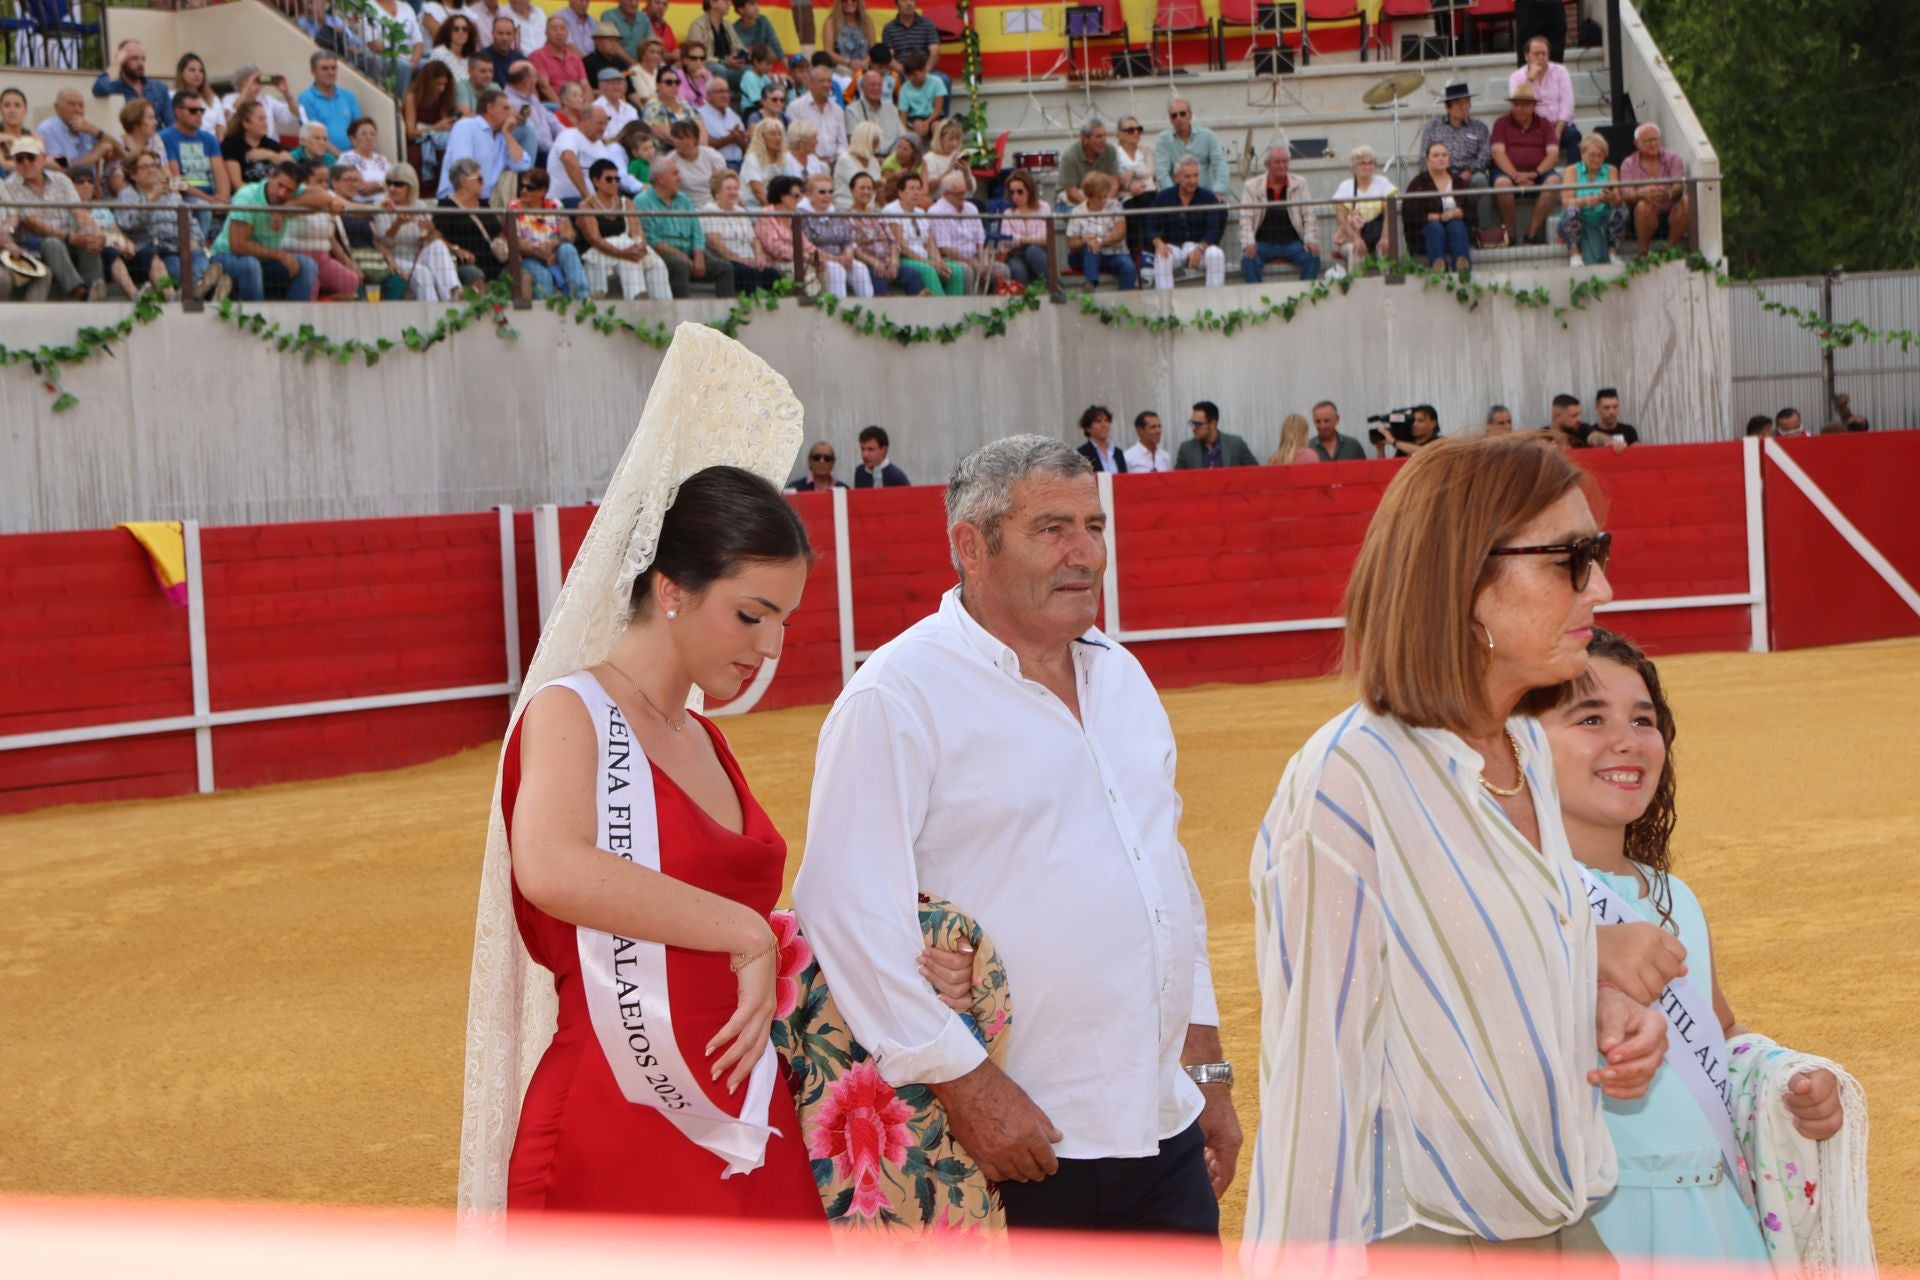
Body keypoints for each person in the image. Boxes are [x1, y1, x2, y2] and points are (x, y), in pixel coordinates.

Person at [1243, 435, 1669, 1273]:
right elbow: (1315, 1082)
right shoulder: (1350, 782)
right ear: (1465, 580)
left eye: (1600, 553)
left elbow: (1473, 968)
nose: (1604, 586)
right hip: (1423, 1233)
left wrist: (1583, 1005)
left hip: (1558, 1213)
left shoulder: (1529, 752)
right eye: (1571, 559)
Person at [794, 435, 1237, 1236]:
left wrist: (1205, 1072)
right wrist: (967, 1088)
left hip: (1161, 1133)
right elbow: (843, 909)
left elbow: (1163, 888)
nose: (1086, 553)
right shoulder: (897, 696)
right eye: (1053, 529)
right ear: (972, 545)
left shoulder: (1124, 678)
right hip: (1008, 1149)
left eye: (1094, 527)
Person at [456, 328, 830, 1222]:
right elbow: (549, 865)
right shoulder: (569, 712)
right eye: (751, 614)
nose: (770, 647)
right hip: (615, 1131)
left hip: (742, 1120)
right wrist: (743, 930)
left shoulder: (704, 737)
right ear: (670, 588)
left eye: (784, 621)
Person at [1542, 628, 1849, 1266]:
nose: (1626, 739)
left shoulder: (1675, 898)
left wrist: (1785, 1082)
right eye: (1590, 716)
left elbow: (1719, 1032)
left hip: (1714, 1217)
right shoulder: (1515, 895)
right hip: (1603, 1218)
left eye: (1644, 719)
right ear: (1517, 745)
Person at [2, 136, 106, 300]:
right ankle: (81, 292)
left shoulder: (61, 179)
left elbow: (79, 213)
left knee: (89, 236)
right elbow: (32, 223)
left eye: (30, 157)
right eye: (20, 159)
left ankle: (96, 288)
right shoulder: (10, 185)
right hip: (32, 243)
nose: (26, 163)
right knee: (52, 242)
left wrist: (96, 232)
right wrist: (69, 237)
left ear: (43, 158)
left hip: (65, 236)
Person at [119, 149, 228, 300]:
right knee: (179, 266)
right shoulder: (127, 195)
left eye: (154, 166)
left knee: (200, 256)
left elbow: (191, 222)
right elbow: (128, 223)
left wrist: (194, 239)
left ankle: (199, 290)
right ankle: (208, 292)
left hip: (184, 246)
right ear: (133, 174)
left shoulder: (171, 194)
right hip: (161, 251)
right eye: (144, 167)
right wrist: (152, 199)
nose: (151, 170)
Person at [213, 160, 326, 301]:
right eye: (280, 185)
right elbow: (238, 245)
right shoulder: (247, 195)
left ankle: (295, 320)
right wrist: (279, 254)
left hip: (264, 261)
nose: (281, 193)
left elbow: (324, 197)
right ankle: (256, 319)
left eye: (289, 190)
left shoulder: (289, 197)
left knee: (308, 266)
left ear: (295, 190)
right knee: (250, 265)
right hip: (226, 257)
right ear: (271, 176)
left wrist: (286, 207)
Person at [638, 153, 735, 296]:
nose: (680, 178)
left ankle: (728, 313)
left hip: (690, 252)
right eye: (675, 174)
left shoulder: (683, 199)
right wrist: (685, 258)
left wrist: (699, 255)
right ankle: (682, 315)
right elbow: (652, 240)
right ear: (660, 179)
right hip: (662, 254)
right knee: (680, 266)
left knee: (725, 268)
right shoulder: (642, 202)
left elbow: (697, 231)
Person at [575, 157, 671, 297]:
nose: (614, 183)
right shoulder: (586, 206)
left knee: (658, 265)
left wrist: (640, 247)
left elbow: (637, 233)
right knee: (628, 258)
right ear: (596, 181)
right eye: (609, 179)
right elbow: (594, 238)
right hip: (601, 253)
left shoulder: (626, 202)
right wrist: (623, 253)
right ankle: (636, 298)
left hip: (627, 249)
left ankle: (664, 306)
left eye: (617, 179)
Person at [377, 163, 467, 298]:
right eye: (389, 183)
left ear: (410, 186)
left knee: (437, 245)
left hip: (418, 255)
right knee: (423, 273)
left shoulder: (419, 205)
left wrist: (430, 231)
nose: (392, 188)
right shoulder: (382, 205)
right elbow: (384, 243)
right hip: (395, 257)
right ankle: (433, 313)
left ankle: (453, 291)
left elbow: (427, 239)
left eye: (398, 184)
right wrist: (397, 224)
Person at [1417, 83, 1494, 236]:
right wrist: (1443, 176)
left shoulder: (1479, 127)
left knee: (1481, 181)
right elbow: (1423, 158)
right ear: (1448, 107)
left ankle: (1483, 232)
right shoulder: (1432, 127)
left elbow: (1485, 155)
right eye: (1459, 104)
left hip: (1470, 174)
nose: (1464, 107)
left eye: (1467, 103)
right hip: (1441, 174)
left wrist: (1470, 171)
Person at [1237, 145, 1320, 284]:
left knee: (1313, 257)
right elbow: (1245, 219)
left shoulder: (1300, 184)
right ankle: (1258, 302)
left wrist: (1311, 239)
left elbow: (1309, 215)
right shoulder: (1251, 187)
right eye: (1277, 162)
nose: (1282, 165)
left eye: (1285, 161)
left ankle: (1302, 298)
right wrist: (1248, 243)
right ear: (1267, 165)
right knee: (1248, 261)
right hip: (1262, 244)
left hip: (1292, 243)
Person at [1492, 82, 1560, 246]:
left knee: (1554, 181)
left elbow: (1553, 154)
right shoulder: (1501, 122)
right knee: (1502, 183)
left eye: (1523, 105)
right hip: (1507, 172)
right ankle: (1511, 233)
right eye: (1516, 105)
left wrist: (1534, 174)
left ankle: (1532, 233)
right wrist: (1515, 175)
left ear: (1533, 106)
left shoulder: (1544, 123)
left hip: (1538, 173)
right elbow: (1497, 153)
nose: (1518, 109)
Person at [509, 165, 591, 298]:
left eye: (530, 188)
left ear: (543, 191)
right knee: (543, 275)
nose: (524, 191)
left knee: (568, 249)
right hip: (528, 256)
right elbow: (515, 241)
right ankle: (544, 314)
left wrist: (554, 244)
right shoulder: (514, 207)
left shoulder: (555, 205)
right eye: (522, 187)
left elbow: (569, 234)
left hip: (554, 251)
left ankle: (583, 297)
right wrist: (539, 252)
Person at [1147, 156, 1226, 292]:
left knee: (1216, 254)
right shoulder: (1164, 197)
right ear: (1176, 177)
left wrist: (1200, 249)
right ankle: (1166, 310)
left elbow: (1214, 230)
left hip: (1200, 247)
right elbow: (1150, 227)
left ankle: (1214, 306)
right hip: (1173, 248)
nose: (1193, 181)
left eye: (1196, 175)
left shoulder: (1208, 197)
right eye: (1187, 176)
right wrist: (1159, 244)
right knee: (1161, 256)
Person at [440, 88, 534, 198]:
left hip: (483, 201)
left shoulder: (503, 136)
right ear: (490, 108)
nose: (511, 113)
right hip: (456, 200)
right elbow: (464, 168)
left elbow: (522, 166)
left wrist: (508, 133)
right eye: (506, 108)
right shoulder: (466, 126)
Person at [1402, 140, 1477, 273]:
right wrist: (1441, 217)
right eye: (1436, 156)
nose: (1441, 158)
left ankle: (1462, 265)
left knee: (1456, 225)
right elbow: (1411, 215)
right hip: (1427, 238)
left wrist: (1461, 212)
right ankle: (1438, 265)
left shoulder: (1458, 182)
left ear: (1449, 159)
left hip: (1456, 235)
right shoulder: (1418, 184)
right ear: (1427, 160)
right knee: (1434, 227)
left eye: (1444, 155)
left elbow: (1472, 209)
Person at [437, 155, 511, 285]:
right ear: (464, 181)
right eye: (479, 179)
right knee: (476, 277)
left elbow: (497, 231)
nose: (483, 183)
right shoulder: (446, 207)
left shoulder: (484, 204)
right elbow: (437, 237)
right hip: (468, 263)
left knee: (523, 274)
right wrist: (456, 249)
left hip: (495, 262)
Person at [701, 168, 780, 292]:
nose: (733, 192)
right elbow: (715, 244)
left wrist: (759, 257)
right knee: (748, 273)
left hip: (748, 259)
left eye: (735, 188)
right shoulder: (710, 210)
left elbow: (754, 240)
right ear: (717, 193)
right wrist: (741, 260)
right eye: (728, 189)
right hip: (728, 261)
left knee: (772, 274)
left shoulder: (740, 211)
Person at [1619, 123, 1691, 257]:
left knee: (1687, 201)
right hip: (1643, 216)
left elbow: (1678, 185)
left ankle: (1669, 249)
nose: (1653, 144)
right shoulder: (1628, 163)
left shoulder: (1672, 157)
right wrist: (1642, 193)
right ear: (1637, 143)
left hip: (1670, 211)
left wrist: (1668, 194)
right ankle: (1643, 254)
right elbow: (1626, 195)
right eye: (1648, 141)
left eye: (1655, 139)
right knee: (1643, 206)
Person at [883, 170, 958, 296]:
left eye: (918, 189)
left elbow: (930, 243)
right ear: (901, 193)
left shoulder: (921, 212)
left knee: (956, 271)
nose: (916, 193)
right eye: (911, 188)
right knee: (928, 270)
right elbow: (901, 246)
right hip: (904, 258)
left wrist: (938, 260)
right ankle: (941, 308)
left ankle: (957, 310)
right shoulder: (892, 210)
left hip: (923, 257)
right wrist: (928, 262)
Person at [799, 170, 872, 297]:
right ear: (810, 194)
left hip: (841, 257)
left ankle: (867, 307)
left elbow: (847, 240)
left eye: (830, 192)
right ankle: (838, 308)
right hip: (818, 260)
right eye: (822, 192)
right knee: (836, 270)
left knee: (860, 269)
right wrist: (836, 259)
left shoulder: (835, 212)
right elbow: (809, 246)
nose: (827, 195)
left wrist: (848, 255)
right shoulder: (802, 215)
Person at [1558, 133, 1624, 267]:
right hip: (1579, 217)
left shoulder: (1611, 170)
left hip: (1602, 217)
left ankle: (1612, 253)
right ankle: (1575, 255)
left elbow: (1617, 201)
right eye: (1592, 155)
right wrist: (1587, 200)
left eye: (1600, 155)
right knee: (1571, 210)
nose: (1597, 159)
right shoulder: (1572, 170)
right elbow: (1566, 202)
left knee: (1621, 209)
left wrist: (1610, 198)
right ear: (1582, 154)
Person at [1329, 145, 1394, 275]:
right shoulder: (1345, 186)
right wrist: (1356, 239)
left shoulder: (1383, 183)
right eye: (1362, 163)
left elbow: (1390, 213)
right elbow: (1341, 218)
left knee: (1385, 250)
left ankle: (1389, 289)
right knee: (1356, 251)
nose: (1367, 167)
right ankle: (1356, 288)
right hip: (1351, 236)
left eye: (1371, 163)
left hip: (1378, 234)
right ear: (1354, 167)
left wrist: (1386, 237)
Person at [1065, 171, 1134, 292]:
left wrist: (1099, 241)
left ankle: (1125, 301)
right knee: (1090, 249)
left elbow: (1120, 233)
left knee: (1128, 267)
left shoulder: (1115, 206)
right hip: (1088, 255)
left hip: (1114, 253)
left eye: (1105, 196)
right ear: (1088, 197)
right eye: (1099, 197)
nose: (1103, 200)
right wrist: (1085, 241)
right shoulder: (1077, 211)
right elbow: (1071, 243)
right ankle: (1091, 284)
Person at [928, 171, 993, 293]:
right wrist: (972, 262)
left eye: (965, 192)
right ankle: (968, 309)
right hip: (951, 258)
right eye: (959, 194)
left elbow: (980, 241)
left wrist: (983, 262)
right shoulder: (937, 212)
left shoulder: (971, 208)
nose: (963, 196)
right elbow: (945, 248)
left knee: (1001, 269)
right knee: (966, 270)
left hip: (975, 257)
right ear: (946, 194)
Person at [1510, 35, 1576, 152]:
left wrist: (1557, 131)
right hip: (1533, 127)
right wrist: (1530, 79)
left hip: (1559, 125)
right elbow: (1518, 105)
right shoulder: (1517, 76)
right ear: (1527, 56)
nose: (1540, 57)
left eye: (1544, 53)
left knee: (1573, 136)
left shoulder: (1560, 72)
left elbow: (1567, 104)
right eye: (1536, 54)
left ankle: (1573, 171)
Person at [1153, 98, 1227, 194]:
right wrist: (1174, 197)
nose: (1178, 118)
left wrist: (1219, 190)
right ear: (1170, 120)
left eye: (1182, 113)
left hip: (1207, 195)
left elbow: (1220, 164)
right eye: (1174, 115)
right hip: (1177, 200)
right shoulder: (1163, 140)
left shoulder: (1208, 136)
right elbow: (1162, 174)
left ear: (1190, 116)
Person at [93, 40, 173, 129]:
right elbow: (101, 88)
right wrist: (117, 62)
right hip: (127, 140)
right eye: (134, 58)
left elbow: (172, 124)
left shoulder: (159, 88)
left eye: (143, 59)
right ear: (122, 60)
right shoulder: (115, 87)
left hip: (156, 140)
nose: (140, 63)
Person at [404, 61, 463, 179]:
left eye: (444, 84)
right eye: (437, 84)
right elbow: (410, 133)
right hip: (419, 142)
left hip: (440, 141)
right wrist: (434, 128)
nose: (441, 88)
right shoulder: (412, 98)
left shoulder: (444, 98)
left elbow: (445, 124)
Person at [995, 167, 1050, 288]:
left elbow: (1044, 238)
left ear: (1029, 190)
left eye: (1020, 191)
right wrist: (1028, 240)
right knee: (1018, 270)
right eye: (1012, 192)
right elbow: (1005, 240)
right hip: (1015, 254)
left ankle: (1055, 287)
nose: (1015, 196)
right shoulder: (1008, 213)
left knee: (1032, 251)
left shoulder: (1043, 208)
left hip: (1038, 251)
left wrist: (1019, 240)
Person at [222, 100, 294, 191]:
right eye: (261, 119)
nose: (266, 123)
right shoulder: (231, 145)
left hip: (274, 196)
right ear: (246, 123)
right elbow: (236, 183)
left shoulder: (270, 144)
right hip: (247, 198)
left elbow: (292, 167)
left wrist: (270, 155)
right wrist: (260, 197)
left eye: (265, 119)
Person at [38, 90, 115, 172]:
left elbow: (116, 152)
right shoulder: (47, 130)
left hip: (90, 182)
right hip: (64, 182)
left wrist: (98, 132)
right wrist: (95, 155)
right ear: (57, 108)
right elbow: (62, 167)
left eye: (81, 105)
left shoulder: (88, 127)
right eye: (71, 104)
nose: (77, 109)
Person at [300, 53, 365, 152]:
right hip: (323, 157)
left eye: (334, 68)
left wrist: (355, 154)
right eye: (325, 68)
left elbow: (360, 128)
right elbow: (314, 135)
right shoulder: (306, 98)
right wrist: (341, 156)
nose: (330, 72)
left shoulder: (348, 96)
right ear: (313, 72)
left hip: (351, 155)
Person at [788, 65, 846, 165]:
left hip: (836, 164)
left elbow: (843, 143)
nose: (826, 85)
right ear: (810, 83)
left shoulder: (837, 110)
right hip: (807, 164)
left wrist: (838, 160)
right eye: (822, 81)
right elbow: (793, 143)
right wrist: (816, 162)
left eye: (829, 81)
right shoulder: (795, 108)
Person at [1057, 118, 1117, 209]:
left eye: (1105, 135)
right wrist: (1091, 207)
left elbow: (1114, 183)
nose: (1103, 140)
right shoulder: (1070, 156)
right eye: (1098, 137)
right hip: (1072, 200)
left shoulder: (1110, 151)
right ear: (1085, 139)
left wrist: (1105, 204)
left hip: (1102, 198)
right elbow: (1071, 193)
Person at [1175, 402, 1256, 469]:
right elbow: (1177, 481)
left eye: (1198, 424)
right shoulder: (1186, 449)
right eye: (1192, 423)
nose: (1193, 428)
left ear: (1213, 424)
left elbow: (1255, 472)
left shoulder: (1235, 444)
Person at [740, 117, 799, 207]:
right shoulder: (752, 158)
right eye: (773, 134)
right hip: (753, 204)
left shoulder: (784, 158)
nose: (778, 138)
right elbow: (758, 191)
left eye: (780, 134)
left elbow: (790, 185)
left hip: (778, 205)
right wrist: (775, 211)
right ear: (762, 138)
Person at [530, 16, 589, 101]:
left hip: (577, 103)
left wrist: (586, 108)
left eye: (562, 29)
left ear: (567, 33)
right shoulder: (537, 56)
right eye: (554, 29)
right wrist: (563, 109)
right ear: (546, 33)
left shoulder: (575, 58)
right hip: (553, 106)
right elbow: (544, 87)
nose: (559, 33)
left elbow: (586, 86)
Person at [113, 99, 165, 196]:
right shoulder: (119, 145)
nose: (156, 122)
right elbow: (117, 182)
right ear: (136, 123)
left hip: (156, 194)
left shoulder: (156, 140)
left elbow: (165, 172)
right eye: (150, 118)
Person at [843, 70, 903, 154]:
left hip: (892, 160)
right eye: (872, 85)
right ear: (862, 87)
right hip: (866, 159)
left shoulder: (892, 109)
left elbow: (902, 138)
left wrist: (891, 160)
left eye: (879, 85)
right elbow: (854, 144)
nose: (876, 88)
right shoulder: (852, 111)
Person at [644, 65, 703, 146]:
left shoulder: (685, 104)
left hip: (693, 150)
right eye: (669, 82)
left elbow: (701, 130)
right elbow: (669, 135)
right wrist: (693, 143)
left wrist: (700, 147)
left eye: (677, 82)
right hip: (666, 154)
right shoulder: (652, 106)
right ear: (658, 85)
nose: (674, 85)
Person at [832, 120, 882, 210]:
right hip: (846, 209)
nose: (878, 146)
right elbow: (863, 185)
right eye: (875, 142)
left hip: (868, 210)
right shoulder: (845, 160)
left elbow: (877, 190)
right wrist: (892, 179)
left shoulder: (873, 161)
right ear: (866, 141)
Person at [896, 52, 944, 141]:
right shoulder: (904, 88)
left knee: (936, 126)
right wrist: (905, 131)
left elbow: (938, 110)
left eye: (914, 75)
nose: (912, 79)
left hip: (934, 117)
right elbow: (903, 117)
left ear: (924, 70)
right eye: (908, 76)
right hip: (915, 118)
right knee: (918, 126)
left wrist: (927, 122)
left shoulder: (937, 82)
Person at [818, 0, 874, 69]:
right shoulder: (831, 23)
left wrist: (865, 62)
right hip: (841, 68)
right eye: (845, 0)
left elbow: (873, 48)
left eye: (853, 0)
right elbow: (828, 52)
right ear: (839, 3)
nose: (849, 2)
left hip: (865, 67)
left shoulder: (867, 21)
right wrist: (849, 63)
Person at [1374, 402, 1443, 457]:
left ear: (1433, 424)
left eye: (1420, 421)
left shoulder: (1441, 442)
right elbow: (1386, 469)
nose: (1414, 424)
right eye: (1412, 420)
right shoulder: (1405, 443)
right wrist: (1380, 449)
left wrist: (1393, 441)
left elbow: (1424, 453)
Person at [430, 14, 482, 85]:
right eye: (456, 29)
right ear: (448, 32)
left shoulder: (471, 58)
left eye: (465, 29)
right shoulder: (439, 53)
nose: (461, 32)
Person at [1076, 405, 1127, 473]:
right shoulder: (1081, 454)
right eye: (1098, 421)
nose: (1104, 425)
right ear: (1088, 428)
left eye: (1106, 420)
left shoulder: (1118, 453)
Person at [1113, 115, 1154, 198]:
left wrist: (1133, 173)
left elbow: (1151, 171)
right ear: (1120, 134)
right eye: (1130, 130)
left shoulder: (1146, 150)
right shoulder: (1115, 153)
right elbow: (1117, 178)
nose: (1136, 132)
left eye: (1139, 129)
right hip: (1127, 196)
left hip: (1149, 192)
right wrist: (1129, 186)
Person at [0, 86, 31, 177]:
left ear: (25, 110)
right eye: (7, 105)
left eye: (17, 105)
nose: (12, 110)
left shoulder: (32, 135)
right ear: (1, 110)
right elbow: (3, 166)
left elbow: (42, 160)